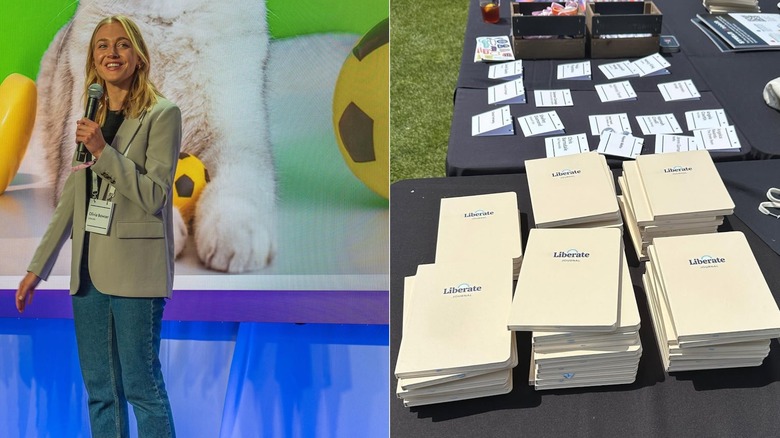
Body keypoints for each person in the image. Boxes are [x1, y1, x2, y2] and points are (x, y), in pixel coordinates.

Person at [15, 15, 180, 438]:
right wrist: (37, 268)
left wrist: (103, 151)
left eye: (122, 44)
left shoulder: (162, 115)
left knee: (142, 388)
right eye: (102, 45)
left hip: (136, 273)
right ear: (93, 59)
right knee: (100, 392)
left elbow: (154, 196)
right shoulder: (91, 117)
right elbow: (72, 199)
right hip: (87, 274)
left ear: (139, 57)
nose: (111, 52)